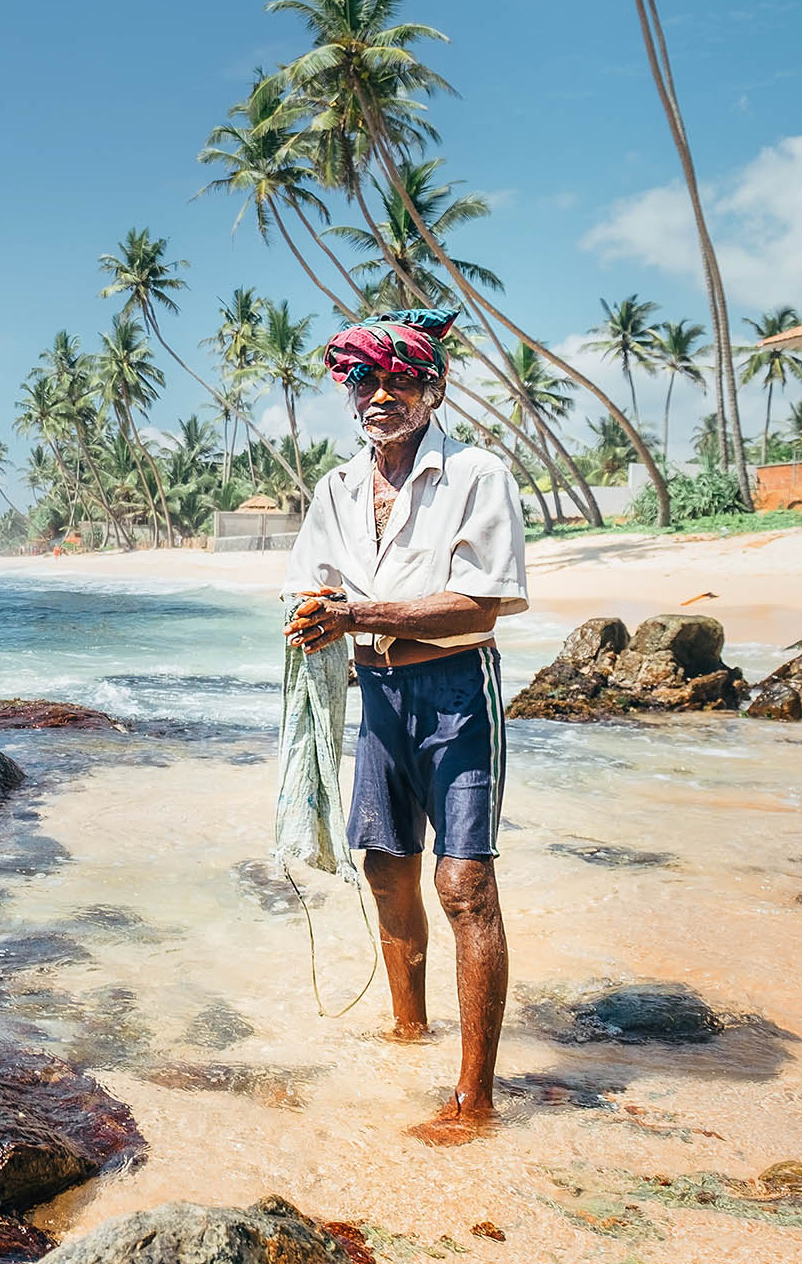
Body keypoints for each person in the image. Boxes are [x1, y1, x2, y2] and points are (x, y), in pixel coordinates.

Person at [282, 307, 528, 1146]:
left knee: (465, 889)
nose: (381, 393)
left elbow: (478, 604)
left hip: (458, 691)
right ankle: (406, 1034)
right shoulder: (338, 488)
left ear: (435, 385)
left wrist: (352, 614)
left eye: (400, 378)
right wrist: (318, 619)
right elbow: (313, 591)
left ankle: (475, 1099)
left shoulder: (478, 474)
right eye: (364, 380)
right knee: (387, 868)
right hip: (377, 697)